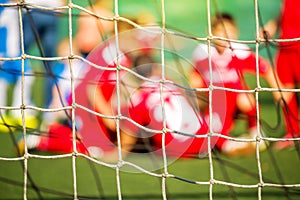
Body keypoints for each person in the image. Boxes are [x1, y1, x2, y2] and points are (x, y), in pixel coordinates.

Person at [190, 13, 281, 156]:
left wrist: (278, 91)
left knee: (247, 100)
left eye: (229, 31)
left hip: (237, 100)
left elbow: (265, 68)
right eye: (220, 30)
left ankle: (255, 132)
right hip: (214, 104)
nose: (224, 35)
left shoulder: (239, 51)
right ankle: (229, 144)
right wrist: (198, 97)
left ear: (235, 33)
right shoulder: (202, 53)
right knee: (209, 134)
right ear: (211, 32)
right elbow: (194, 76)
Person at [261, 0, 300, 149]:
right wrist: (273, 26)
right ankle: (292, 131)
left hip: (298, 43)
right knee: (284, 87)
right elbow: (286, 11)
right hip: (286, 44)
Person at [0, 0, 37, 132]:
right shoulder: (4, 7)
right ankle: (3, 114)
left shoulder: (16, 6)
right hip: (5, 53)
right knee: (2, 82)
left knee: (27, 76)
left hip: (17, 52)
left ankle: (20, 111)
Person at [22, 0, 65, 108]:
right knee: (20, 56)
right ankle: (21, 104)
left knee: (22, 55)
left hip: (44, 11)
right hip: (38, 10)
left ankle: (47, 108)